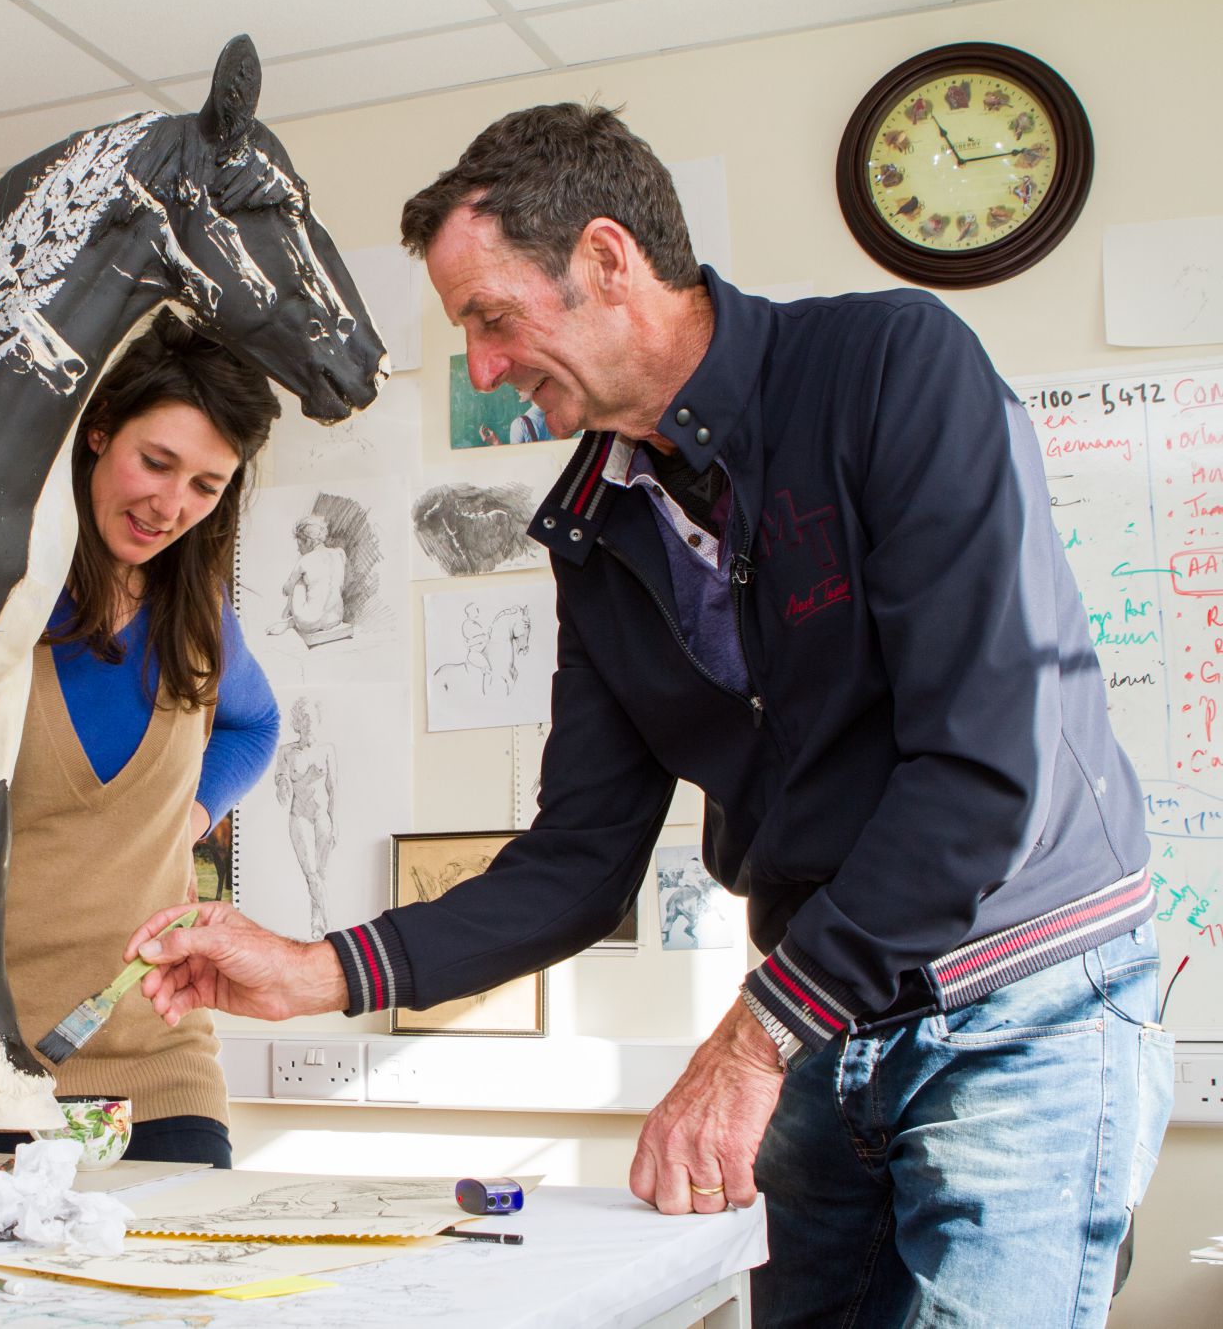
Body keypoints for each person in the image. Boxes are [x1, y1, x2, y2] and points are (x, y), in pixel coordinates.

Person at [128, 103, 1172, 1323]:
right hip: (815, 1031)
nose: (482, 367)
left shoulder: (891, 368)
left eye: (491, 318)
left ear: (608, 260)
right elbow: (577, 861)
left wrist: (751, 1038)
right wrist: (316, 970)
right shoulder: (594, 525)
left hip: (1015, 1008)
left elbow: (983, 769)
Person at [0, 311, 281, 1169]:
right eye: (157, 461)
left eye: (207, 485)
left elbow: (256, 723)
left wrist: (189, 811)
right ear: (97, 435)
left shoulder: (200, 620)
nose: (172, 506)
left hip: (156, 1076)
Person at [273, 697, 337, 939]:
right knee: (311, 873)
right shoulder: (286, 752)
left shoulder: (328, 750)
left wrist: (335, 820)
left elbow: (334, 788)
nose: (309, 722)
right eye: (304, 718)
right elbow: (280, 781)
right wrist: (283, 785)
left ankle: (316, 924)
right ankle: (328, 922)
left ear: (319, 720)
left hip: (322, 818)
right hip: (299, 816)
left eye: (313, 717)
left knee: (320, 874)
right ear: (298, 722)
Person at [267, 515, 349, 642]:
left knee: (298, 582)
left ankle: (285, 621)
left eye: (299, 544)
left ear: (308, 542)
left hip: (309, 624)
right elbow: (340, 586)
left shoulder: (304, 561)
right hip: (335, 619)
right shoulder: (340, 553)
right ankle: (288, 621)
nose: (298, 549)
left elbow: (287, 590)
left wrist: (291, 583)